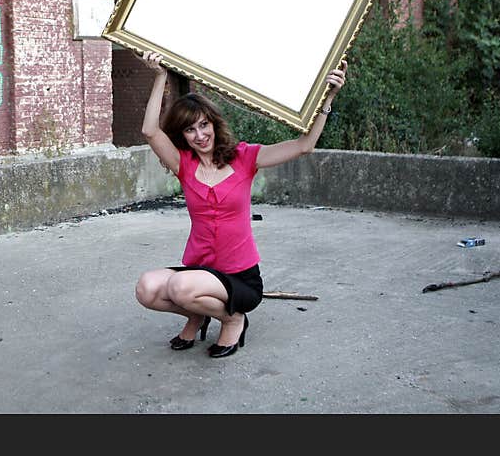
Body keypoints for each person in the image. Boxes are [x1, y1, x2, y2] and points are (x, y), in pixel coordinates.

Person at [134, 51, 346, 358]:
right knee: (147, 288)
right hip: (199, 270)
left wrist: (327, 99)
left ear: (214, 124)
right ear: (183, 135)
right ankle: (198, 312)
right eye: (190, 129)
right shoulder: (183, 164)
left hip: (239, 277)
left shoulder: (245, 158)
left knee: (179, 287)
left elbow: (304, 145)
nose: (200, 135)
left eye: (204, 125)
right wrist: (159, 76)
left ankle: (233, 319)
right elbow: (149, 131)